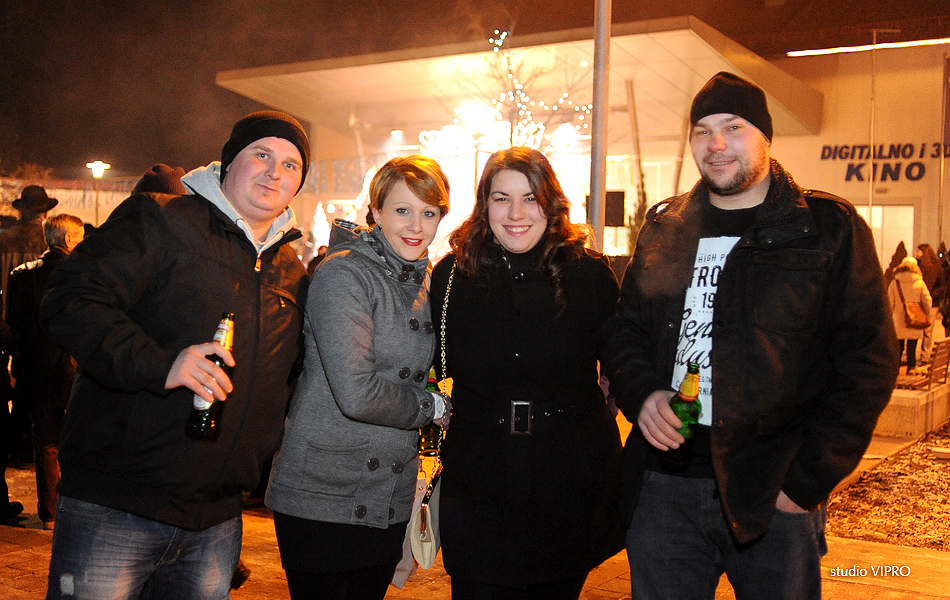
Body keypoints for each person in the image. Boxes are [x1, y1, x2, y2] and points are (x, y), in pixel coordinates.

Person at [603, 72, 898, 600]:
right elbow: (626, 330)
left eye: (733, 127)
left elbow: (868, 361)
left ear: (765, 136)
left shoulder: (826, 228)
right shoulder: (666, 228)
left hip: (773, 490)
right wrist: (643, 394)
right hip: (665, 487)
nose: (716, 144)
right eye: (702, 131)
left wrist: (807, 481)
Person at [39, 110, 311, 599]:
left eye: (291, 165)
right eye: (262, 155)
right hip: (117, 505)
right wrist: (163, 364)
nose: (275, 172)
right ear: (229, 162)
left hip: (217, 519)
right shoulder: (162, 219)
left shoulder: (291, 271)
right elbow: (70, 300)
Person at [429, 147, 624, 600]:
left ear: (550, 203)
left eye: (530, 198)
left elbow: (622, 358)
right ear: (484, 205)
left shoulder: (589, 273)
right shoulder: (453, 276)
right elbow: (427, 363)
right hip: (478, 478)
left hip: (568, 476)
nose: (516, 214)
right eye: (501, 199)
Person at [265, 155, 451, 600]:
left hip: (387, 493)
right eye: (402, 210)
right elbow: (357, 392)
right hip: (323, 493)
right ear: (376, 212)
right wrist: (432, 406)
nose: (416, 226)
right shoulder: (344, 272)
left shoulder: (428, 280)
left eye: (429, 213)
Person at [5, 214, 84, 529]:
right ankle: (75, 508)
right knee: (76, 439)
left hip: (35, 371)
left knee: (46, 441)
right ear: (68, 239)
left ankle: (49, 511)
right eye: (80, 237)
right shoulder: (81, 272)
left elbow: (13, 326)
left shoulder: (22, 275)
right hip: (73, 369)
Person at [0, 185, 57, 465]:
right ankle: (37, 445)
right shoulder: (48, 243)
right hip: (40, 327)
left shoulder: (3, 240)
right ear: (44, 212)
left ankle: (15, 443)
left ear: (21, 210)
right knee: (42, 388)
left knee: (12, 385)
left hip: (5, 324)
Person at [889, 256, 932, 375]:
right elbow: (927, 301)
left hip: (898, 319)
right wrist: (926, 313)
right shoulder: (920, 283)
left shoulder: (895, 283)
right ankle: (911, 367)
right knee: (912, 346)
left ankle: (895, 370)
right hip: (915, 318)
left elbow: (889, 302)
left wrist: (890, 317)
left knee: (899, 347)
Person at [915, 243, 944, 363]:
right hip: (922, 302)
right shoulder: (919, 266)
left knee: (927, 331)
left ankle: (924, 356)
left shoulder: (934, 267)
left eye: (918, 251)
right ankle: (921, 355)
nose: (916, 253)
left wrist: (932, 294)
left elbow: (942, 286)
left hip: (931, 303)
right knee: (920, 330)